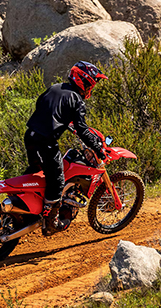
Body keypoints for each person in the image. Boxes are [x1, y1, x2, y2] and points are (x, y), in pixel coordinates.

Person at [24, 61, 107, 233]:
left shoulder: (55, 88)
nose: (92, 87)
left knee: (36, 172)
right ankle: (51, 222)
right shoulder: (77, 100)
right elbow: (82, 129)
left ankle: (28, 207)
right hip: (46, 143)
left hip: (30, 136)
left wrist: (61, 121)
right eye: (92, 83)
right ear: (85, 82)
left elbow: (44, 106)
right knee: (57, 181)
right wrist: (98, 148)